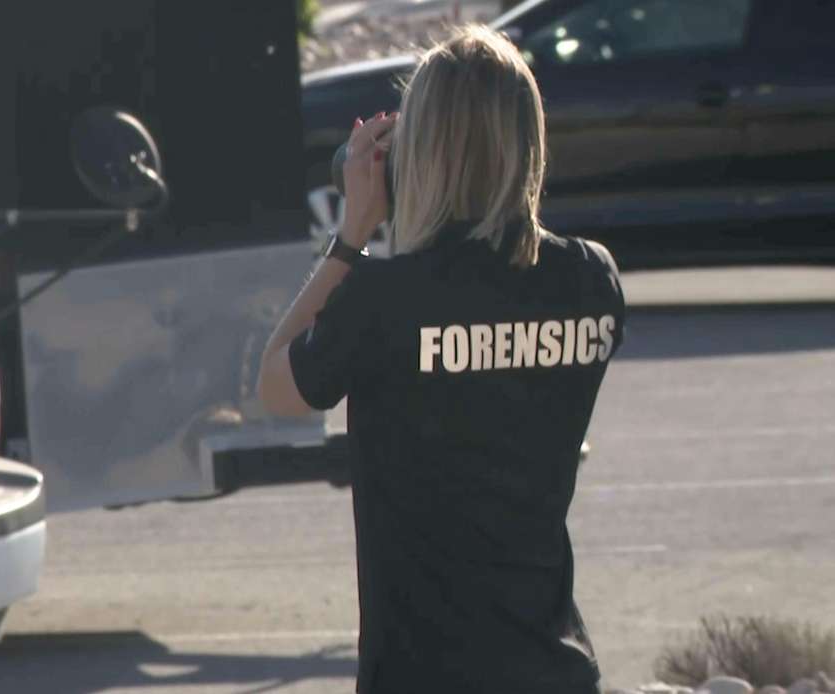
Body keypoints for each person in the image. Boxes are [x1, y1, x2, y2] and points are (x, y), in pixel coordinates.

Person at [257, 25, 625, 694]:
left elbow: (277, 384)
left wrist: (351, 236)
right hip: (553, 667)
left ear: (419, 155)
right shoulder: (592, 279)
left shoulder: (384, 300)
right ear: (528, 140)